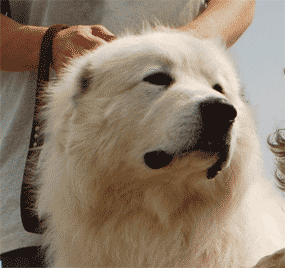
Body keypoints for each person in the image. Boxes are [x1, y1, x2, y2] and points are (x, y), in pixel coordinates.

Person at [0, 0, 262, 267]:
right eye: (160, 79)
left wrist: (189, 42)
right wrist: (46, 43)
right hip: (50, 207)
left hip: (206, 230)